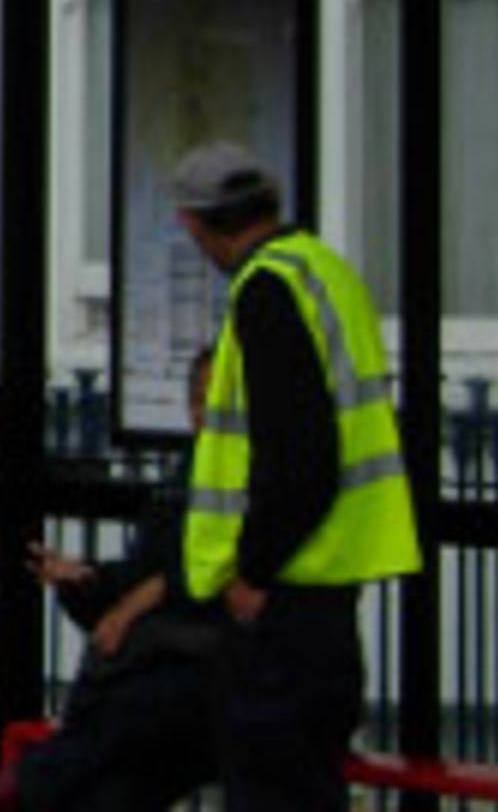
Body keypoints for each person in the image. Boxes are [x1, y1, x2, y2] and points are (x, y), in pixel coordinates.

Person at [168, 139, 422, 812]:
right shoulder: (325, 271)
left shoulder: (266, 291)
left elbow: (299, 454)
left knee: (275, 789)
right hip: (330, 589)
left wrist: (254, 567)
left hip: (283, 600)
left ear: (195, 224)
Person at [0, 349, 224, 812]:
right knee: (108, 783)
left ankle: (3, 793)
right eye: (198, 401)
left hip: (203, 677)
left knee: (116, 731)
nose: (207, 416)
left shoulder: (256, 480)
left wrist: (131, 605)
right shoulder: (183, 477)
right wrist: (85, 582)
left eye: (223, 403)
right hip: (154, 672)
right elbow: (139, 576)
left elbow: (204, 575)